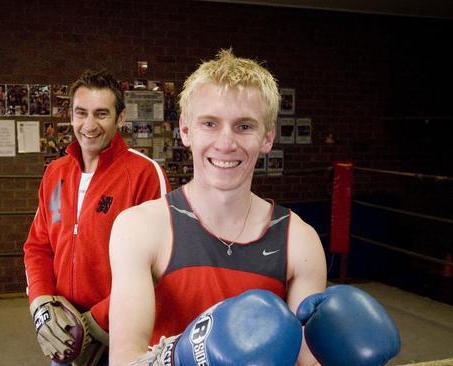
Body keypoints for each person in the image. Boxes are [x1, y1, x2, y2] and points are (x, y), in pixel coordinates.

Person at [107, 50, 327, 365]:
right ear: (185, 130)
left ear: (267, 137)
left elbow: (306, 361)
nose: (226, 143)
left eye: (244, 126)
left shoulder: (299, 241)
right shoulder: (140, 228)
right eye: (210, 123)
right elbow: (123, 361)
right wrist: (182, 358)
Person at [24, 69, 170, 366]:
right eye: (81, 113)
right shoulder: (55, 173)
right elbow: (37, 247)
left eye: (101, 114)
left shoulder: (144, 174)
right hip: (65, 332)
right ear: (71, 115)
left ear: (121, 117)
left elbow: (161, 265)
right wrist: (40, 302)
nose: (89, 125)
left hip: (122, 332)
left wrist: (96, 323)